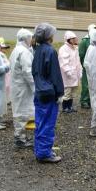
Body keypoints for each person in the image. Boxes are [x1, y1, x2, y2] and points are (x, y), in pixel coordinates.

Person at [32, 23, 64, 163]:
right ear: (48, 35)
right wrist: (59, 93)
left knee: (40, 122)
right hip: (49, 93)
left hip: (39, 91)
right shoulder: (50, 51)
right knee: (48, 123)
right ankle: (44, 153)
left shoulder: (37, 50)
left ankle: (40, 150)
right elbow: (55, 74)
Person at [9, 29, 35, 149]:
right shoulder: (24, 52)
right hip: (23, 87)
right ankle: (20, 139)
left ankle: (20, 136)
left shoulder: (16, 50)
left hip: (17, 86)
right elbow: (27, 71)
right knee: (22, 112)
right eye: (30, 38)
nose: (31, 40)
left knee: (19, 110)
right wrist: (35, 87)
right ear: (25, 39)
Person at [58, 31, 82, 113]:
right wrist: (68, 72)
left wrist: (80, 71)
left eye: (75, 38)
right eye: (73, 38)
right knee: (67, 92)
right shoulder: (64, 49)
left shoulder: (75, 49)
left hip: (75, 75)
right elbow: (63, 62)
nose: (75, 40)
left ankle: (70, 107)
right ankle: (65, 108)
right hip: (67, 75)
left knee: (73, 92)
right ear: (69, 39)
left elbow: (78, 61)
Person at [78, 24, 96, 109]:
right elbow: (80, 54)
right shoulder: (84, 41)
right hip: (86, 67)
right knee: (86, 85)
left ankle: (91, 100)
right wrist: (82, 65)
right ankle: (84, 101)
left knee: (94, 85)